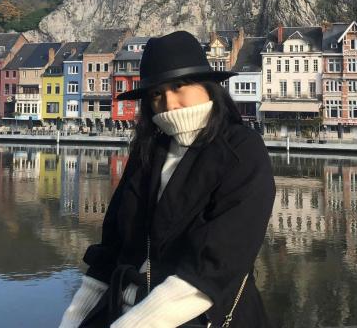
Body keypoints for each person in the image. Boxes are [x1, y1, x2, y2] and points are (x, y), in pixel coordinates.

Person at [59, 30, 275, 328]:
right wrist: (73, 320)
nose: (169, 103)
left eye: (179, 86)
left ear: (209, 87)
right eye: (156, 94)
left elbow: (216, 265)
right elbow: (112, 250)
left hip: (199, 316)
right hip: (122, 309)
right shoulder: (149, 150)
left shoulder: (241, 150)